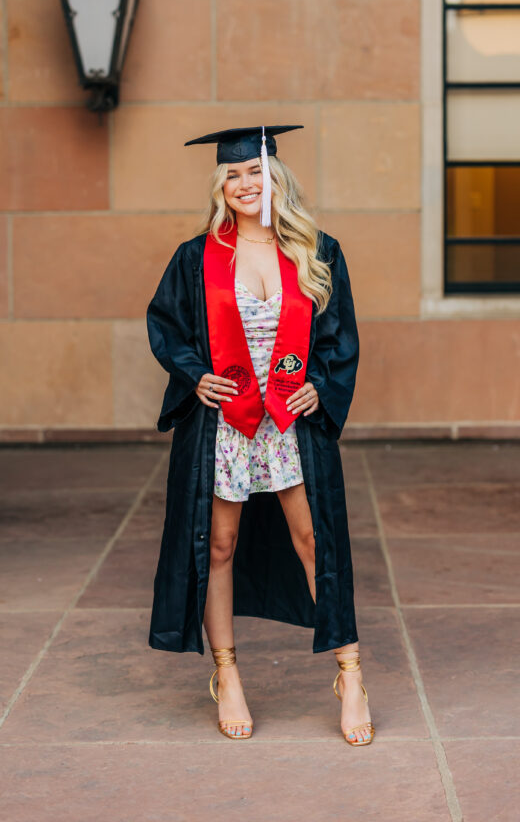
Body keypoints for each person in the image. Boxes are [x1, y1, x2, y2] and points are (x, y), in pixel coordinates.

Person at [146, 124, 374, 747]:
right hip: (226, 425)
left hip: (289, 425)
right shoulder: (196, 258)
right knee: (217, 546)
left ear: (278, 178)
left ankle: (350, 676)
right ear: (222, 185)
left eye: (256, 171)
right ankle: (228, 675)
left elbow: (341, 337)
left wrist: (321, 387)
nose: (246, 183)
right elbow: (167, 328)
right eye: (234, 175)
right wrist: (195, 377)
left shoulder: (317, 251)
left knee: (314, 541)